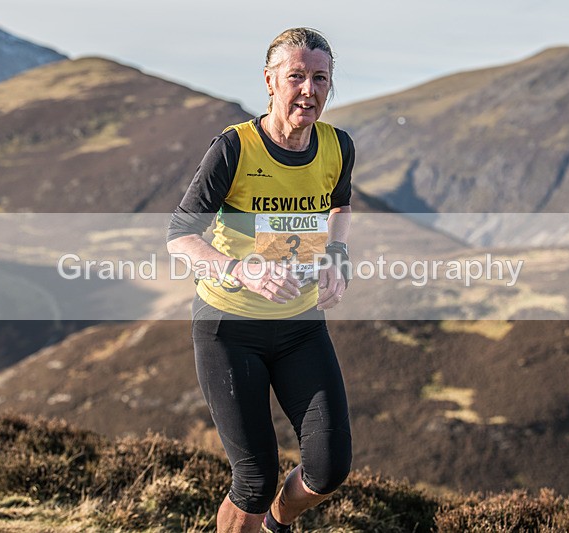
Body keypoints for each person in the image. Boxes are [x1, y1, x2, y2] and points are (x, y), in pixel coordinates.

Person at [166, 27, 354, 533]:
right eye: (296, 77)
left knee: (329, 466)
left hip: (301, 327)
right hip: (231, 328)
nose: (309, 90)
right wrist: (238, 269)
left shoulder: (337, 146)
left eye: (321, 78)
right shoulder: (234, 149)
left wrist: (337, 254)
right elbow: (179, 235)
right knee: (252, 478)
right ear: (269, 81)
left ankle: (276, 524)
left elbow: (339, 204)